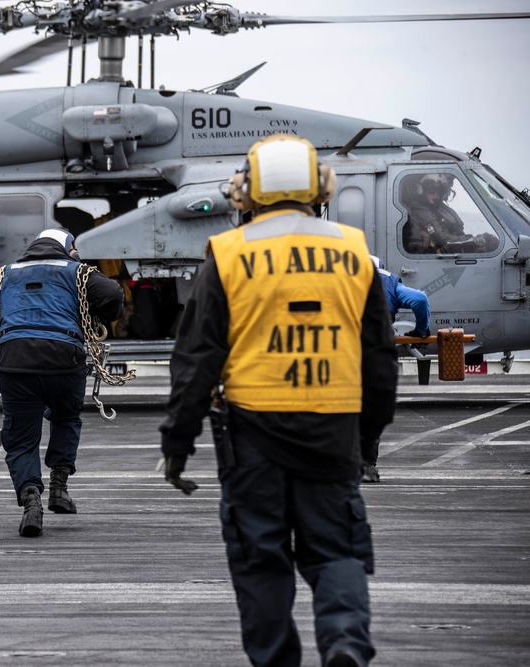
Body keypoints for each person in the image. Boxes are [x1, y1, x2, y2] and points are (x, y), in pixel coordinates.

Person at [159, 135, 398, 667]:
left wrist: (177, 441)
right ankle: (344, 644)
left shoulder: (228, 253)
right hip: (333, 430)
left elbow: (197, 357)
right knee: (337, 550)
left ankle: (275, 661)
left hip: (251, 436)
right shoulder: (353, 252)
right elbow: (380, 358)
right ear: (322, 189)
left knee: (259, 560)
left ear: (246, 193)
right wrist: (369, 437)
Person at [0, 228, 124, 537]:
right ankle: (59, 488)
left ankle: (31, 499)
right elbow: (112, 294)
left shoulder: (6, 273)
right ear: (68, 248)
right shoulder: (78, 271)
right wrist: (97, 316)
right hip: (65, 360)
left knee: (20, 437)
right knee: (66, 417)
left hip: (16, 361)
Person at [362, 255, 431, 483]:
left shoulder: (335, 277)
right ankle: (367, 467)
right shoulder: (388, 280)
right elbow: (420, 300)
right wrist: (421, 330)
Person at [402, 173, 499, 254]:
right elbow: (442, 238)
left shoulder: (441, 209)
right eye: (432, 189)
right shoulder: (420, 212)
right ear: (422, 190)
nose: (436, 194)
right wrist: (470, 240)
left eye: (440, 190)